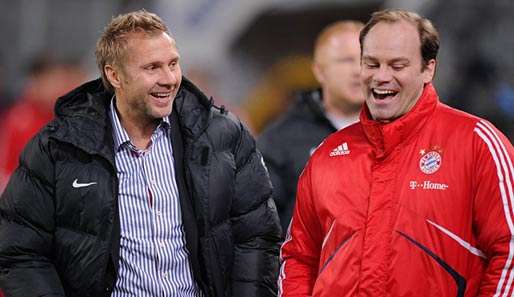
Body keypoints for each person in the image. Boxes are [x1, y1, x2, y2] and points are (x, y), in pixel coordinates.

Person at [0, 10, 281, 297]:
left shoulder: (223, 136)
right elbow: (20, 251)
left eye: (173, 64)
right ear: (115, 75)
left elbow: (257, 235)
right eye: (152, 68)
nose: (170, 78)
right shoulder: (58, 147)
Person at [278, 9, 514, 297]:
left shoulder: (477, 143)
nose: (381, 77)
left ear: (428, 69)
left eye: (397, 66)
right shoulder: (327, 155)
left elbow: (509, 252)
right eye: (372, 64)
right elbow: (299, 258)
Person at [258, 21, 364, 234]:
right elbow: (262, 225)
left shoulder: (402, 130)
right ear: (319, 71)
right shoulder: (280, 140)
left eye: (367, 60)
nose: (357, 70)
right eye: (346, 60)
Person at [0, 54, 86, 191]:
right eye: (51, 81)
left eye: (58, 81)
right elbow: (6, 170)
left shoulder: (68, 117)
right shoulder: (19, 119)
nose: (56, 87)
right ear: (36, 82)